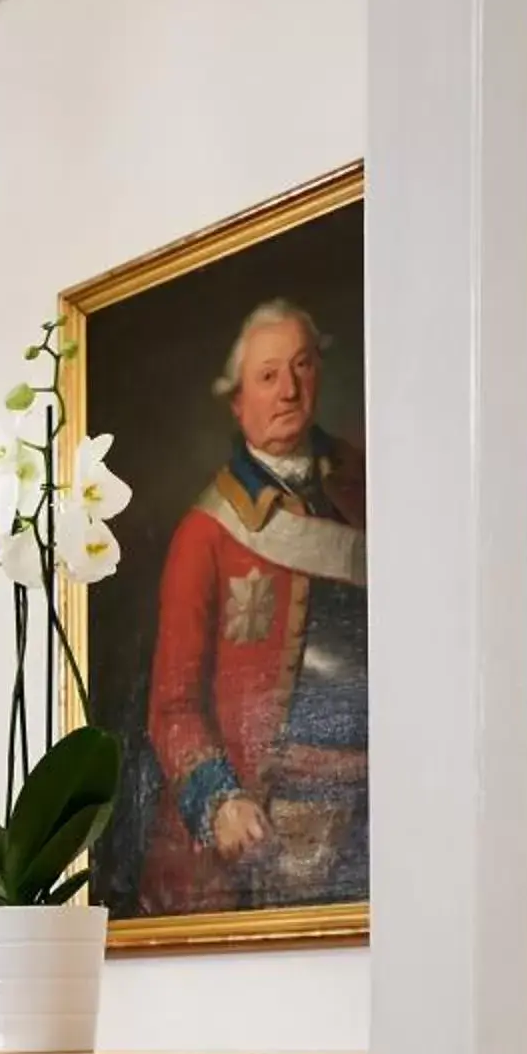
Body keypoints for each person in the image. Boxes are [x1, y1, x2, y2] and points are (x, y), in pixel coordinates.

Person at [139, 299, 367, 916]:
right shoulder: (204, 534)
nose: (289, 390)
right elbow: (172, 706)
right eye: (268, 376)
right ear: (238, 401)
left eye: (302, 367)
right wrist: (221, 800)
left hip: (378, 811)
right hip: (267, 823)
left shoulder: (368, 484)